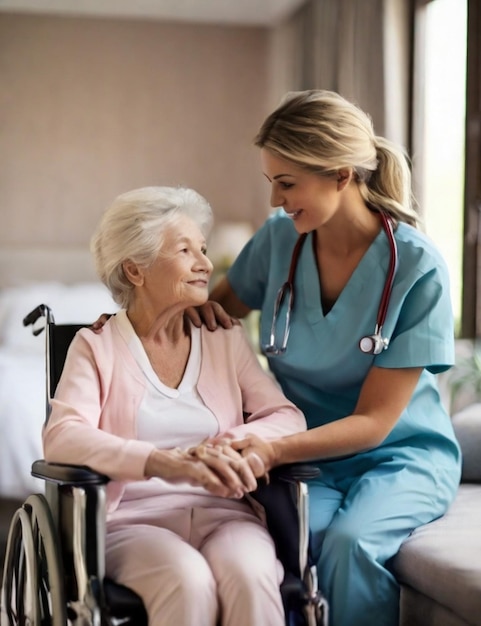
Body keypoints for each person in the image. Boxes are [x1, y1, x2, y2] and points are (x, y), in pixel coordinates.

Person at [188, 90, 462, 626]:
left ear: (341, 174)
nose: (275, 201)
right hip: (307, 457)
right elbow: (209, 314)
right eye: (272, 182)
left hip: (399, 454)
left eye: (286, 184)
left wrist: (271, 449)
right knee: (292, 545)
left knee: (349, 545)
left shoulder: (417, 268)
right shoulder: (278, 242)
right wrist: (137, 322)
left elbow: (375, 422)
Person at [42, 186, 307, 626]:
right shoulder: (96, 346)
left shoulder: (223, 339)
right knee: (187, 580)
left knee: (251, 573)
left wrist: (225, 445)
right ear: (135, 269)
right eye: (185, 250)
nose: (205, 263)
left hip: (226, 513)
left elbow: (287, 417)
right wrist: (162, 462)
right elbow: (63, 435)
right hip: (133, 521)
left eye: (202, 249)